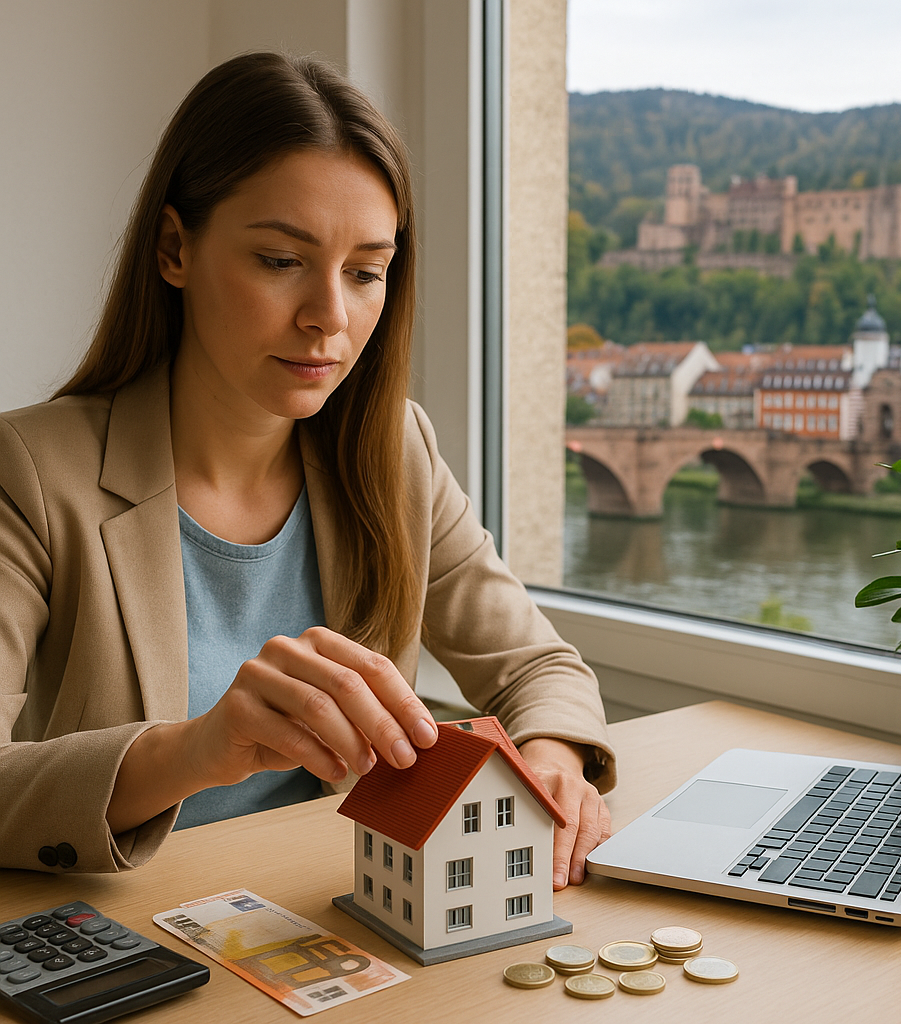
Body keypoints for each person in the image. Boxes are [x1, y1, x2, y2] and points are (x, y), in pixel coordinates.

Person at [0, 52, 614, 886]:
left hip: (329, 913)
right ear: (175, 248)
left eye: (366, 273)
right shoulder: (31, 472)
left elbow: (537, 667)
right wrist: (196, 750)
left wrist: (552, 758)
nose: (330, 316)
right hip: (122, 937)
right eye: (281, 260)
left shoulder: (395, 451)